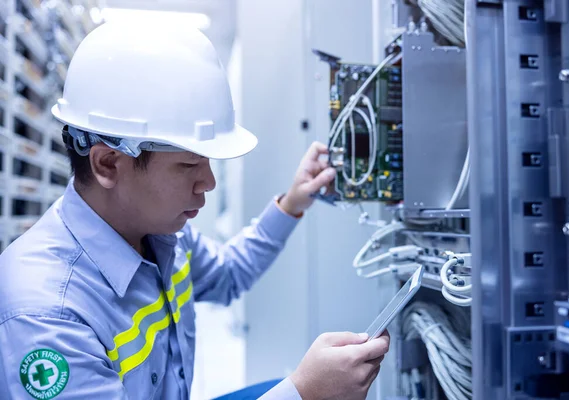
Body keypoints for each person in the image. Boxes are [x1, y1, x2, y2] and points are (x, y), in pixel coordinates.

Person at [0, 22, 389, 399]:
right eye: (188, 165)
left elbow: (227, 275)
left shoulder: (158, 231)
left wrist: (292, 203)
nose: (209, 182)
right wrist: (303, 394)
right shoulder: (47, 315)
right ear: (107, 164)